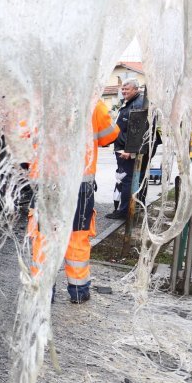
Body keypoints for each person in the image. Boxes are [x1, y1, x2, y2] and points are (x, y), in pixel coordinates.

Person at [30, 99, 119, 303]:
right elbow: (109, 135)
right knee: (77, 237)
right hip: (80, 184)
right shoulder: (92, 101)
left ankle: (44, 293)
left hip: (47, 183)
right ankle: (78, 292)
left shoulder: (40, 101)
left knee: (45, 238)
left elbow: (23, 138)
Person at [106, 79, 150, 219]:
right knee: (134, 178)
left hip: (128, 150)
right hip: (126, 147)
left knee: (127, 180)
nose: (124, 92)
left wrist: (130, 150)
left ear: (136, 89)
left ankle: (124, 211)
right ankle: (135, 207)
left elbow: (139, 131)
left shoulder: (137, 104)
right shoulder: (132, 102)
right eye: (123, 89)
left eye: (127, 89)